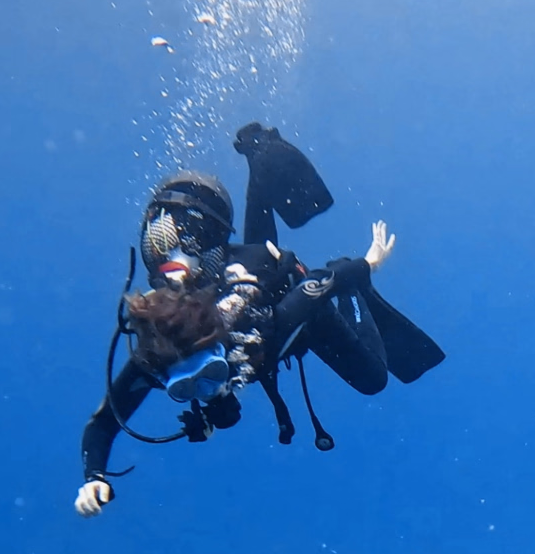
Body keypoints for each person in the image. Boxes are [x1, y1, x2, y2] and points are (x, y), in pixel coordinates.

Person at [75, 123, 444, 517]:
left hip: (292, 299)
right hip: (249, 269)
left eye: (210, 374)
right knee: (260, 256)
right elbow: (104, 424)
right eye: (184, 389)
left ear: (221, 349)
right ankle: (258, 157)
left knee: (373, 379)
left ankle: (262, 164)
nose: (204, 391)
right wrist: (94, 475)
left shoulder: (263, 324)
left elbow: (324, 283)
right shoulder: (154, 358)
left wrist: (366, 265)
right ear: (163, 376)